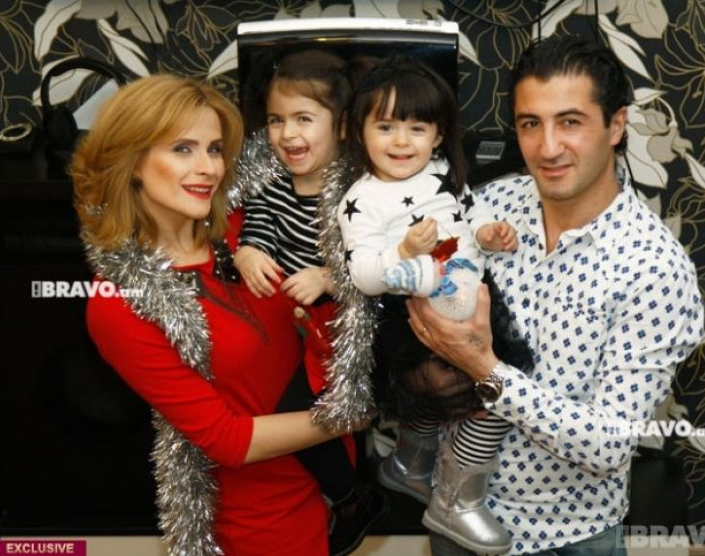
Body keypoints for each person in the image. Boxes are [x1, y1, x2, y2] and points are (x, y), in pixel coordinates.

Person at [405, 35, 705, 555]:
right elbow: (413, 300)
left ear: (616, 125)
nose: (547, 147)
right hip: (453, 519)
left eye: (570, 122)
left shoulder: (654, 269)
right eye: (530, 124)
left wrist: (485, 369)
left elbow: (608, 446)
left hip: (566, 538)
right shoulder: (488, 207)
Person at [73, 74, 366, 556]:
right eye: (182, 149)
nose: (208, 167)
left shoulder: (245, 228)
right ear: (131, 161)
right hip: (259, 522)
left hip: (333, 488)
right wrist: (352, 414)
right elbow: (227, 439)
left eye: (214, 149)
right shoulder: (120, 302)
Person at [332, 55, 526, 555]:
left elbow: (472, 213)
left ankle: (409, 465)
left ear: (438, 135)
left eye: (417, 128)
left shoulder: (443, 173)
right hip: (414, 319)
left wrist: (487, 232)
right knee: (493, 399)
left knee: (458, 401)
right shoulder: (361, 200)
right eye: (386, 126)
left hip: (472, 298)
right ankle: (459, 500)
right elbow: (363, 275)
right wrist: (404, 251)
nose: (401, 141)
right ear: (359, 131)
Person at [233, 49, 386, 556]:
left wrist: (329, 277)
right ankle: (343, 491)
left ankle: (351, 496)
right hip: (302, 329)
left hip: (357, 325)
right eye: (276, 120)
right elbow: (258, 227)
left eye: (303, 119)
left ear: (340, 126)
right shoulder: (273, 185)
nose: (287, 133)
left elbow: (381, 259)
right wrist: (249, 252)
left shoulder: (360, 189)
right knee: (288, 400)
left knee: (302, 408)